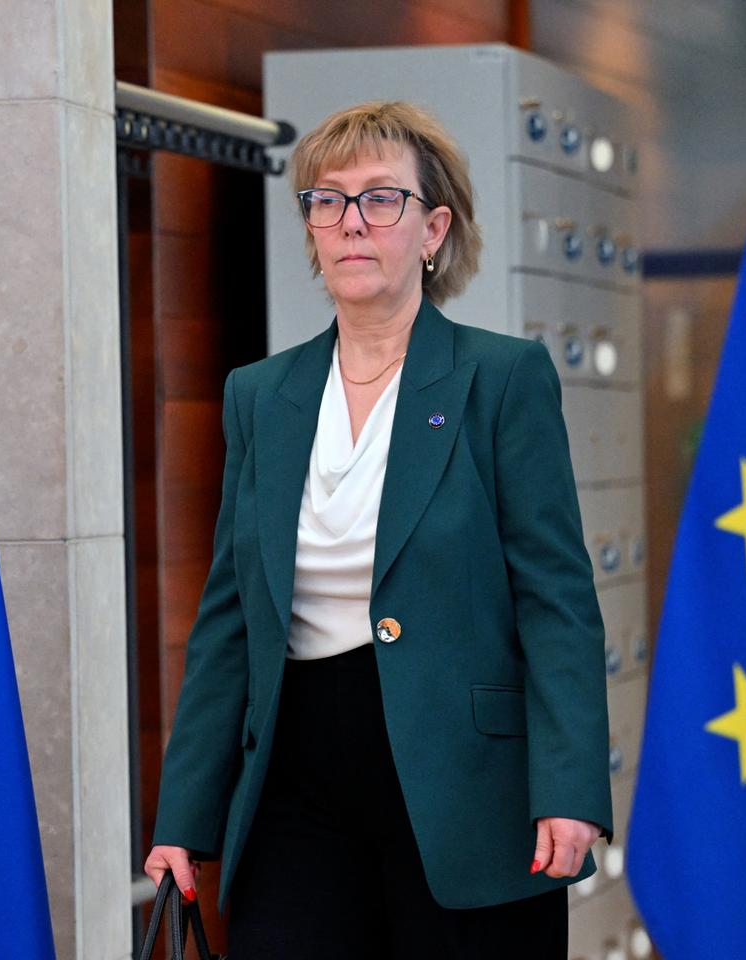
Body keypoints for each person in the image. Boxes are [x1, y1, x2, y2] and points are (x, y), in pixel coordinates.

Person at [144, 100, 612, 958]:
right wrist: (185, 816)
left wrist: (571, 787)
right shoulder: (261, 394)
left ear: (434, 229)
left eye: (380, 198)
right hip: (295, 786)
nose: (351, 221)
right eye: (327, 201)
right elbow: (229, 617)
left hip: (466, 788)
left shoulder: (501, 379)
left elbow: (557, 601)